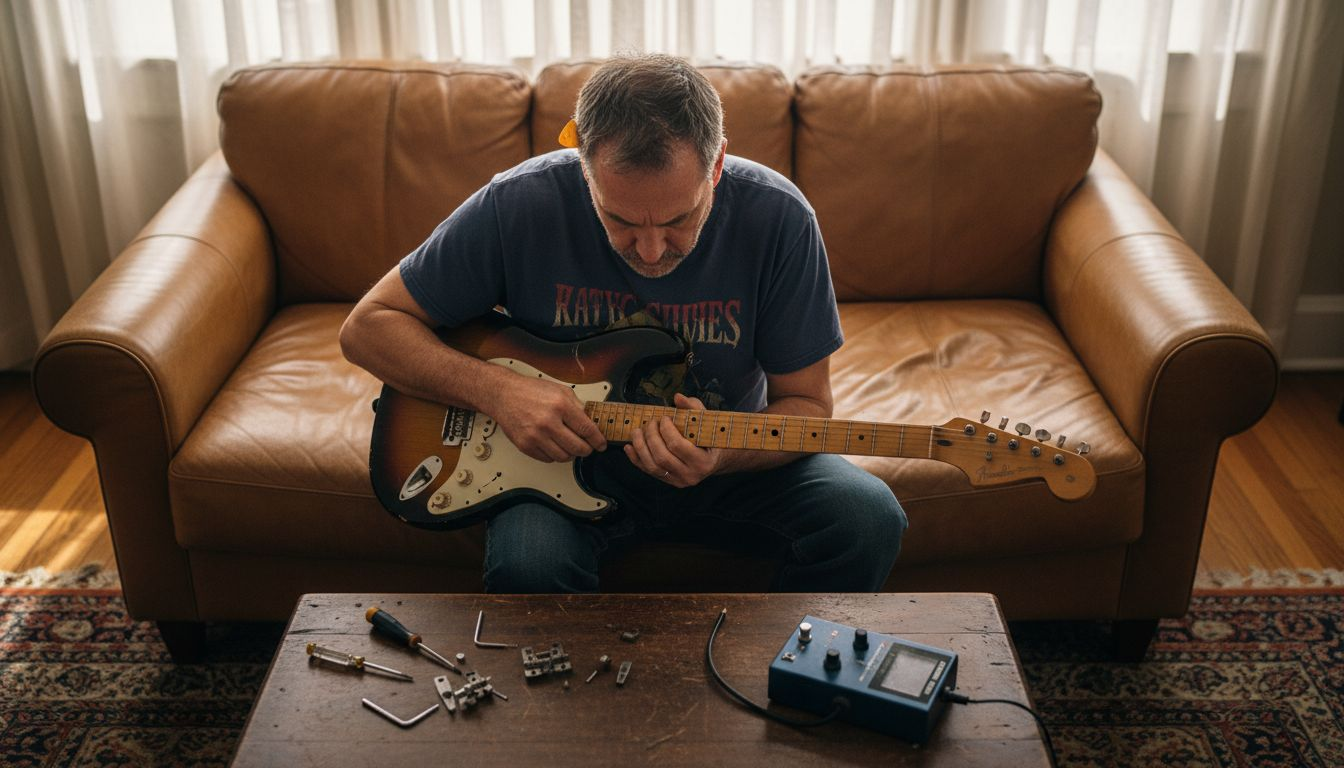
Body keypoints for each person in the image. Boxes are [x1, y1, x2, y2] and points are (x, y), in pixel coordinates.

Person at [340, 53, 907, 593]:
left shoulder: (780, 218)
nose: (653, 251)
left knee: (869, 518)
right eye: (619, 220)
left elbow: (807, 405)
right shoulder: (518, 204)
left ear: (717, 165)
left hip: (724, 466)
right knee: (530, 567)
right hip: (557, 467)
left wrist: (719, 458)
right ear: (583, 165)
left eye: (679, 220)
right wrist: (499, 393)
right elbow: (369, 326)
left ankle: (787, 674)